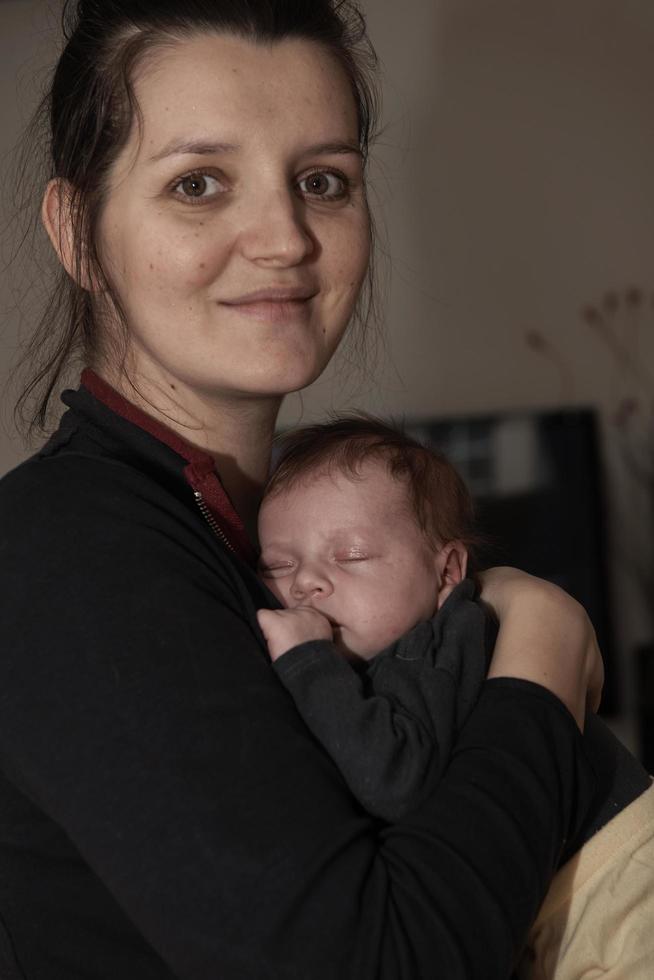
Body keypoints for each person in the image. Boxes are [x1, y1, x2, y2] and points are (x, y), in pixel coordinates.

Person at [0, 1, 601, 977]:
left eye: (322, 181)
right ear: (77, 232)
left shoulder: (262, 538)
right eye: (199, 183)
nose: (282, 238)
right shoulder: (64, 553)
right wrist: (543, 650)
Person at [257, 416, 654, 979]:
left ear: (446, 572)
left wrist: (306, 663)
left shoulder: (441, 646)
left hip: (622, 879)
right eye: (277, 565)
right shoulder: (386, 655)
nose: (306, 583)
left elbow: (392, 782)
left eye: (349, 556)